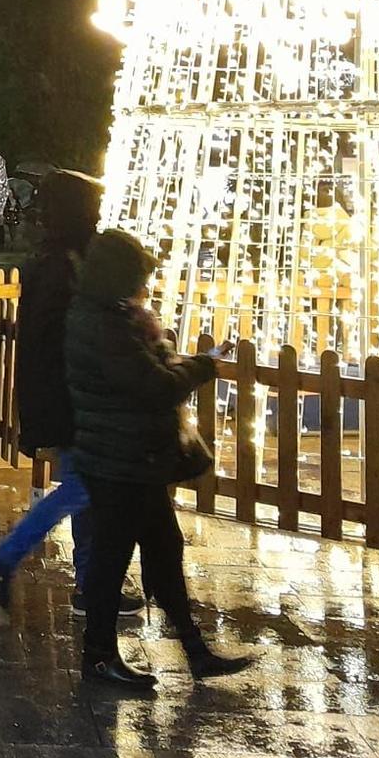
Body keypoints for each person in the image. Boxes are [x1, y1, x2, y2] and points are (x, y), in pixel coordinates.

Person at [66, 229, 248, 686]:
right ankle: (101, 655)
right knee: (113, 560)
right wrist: (204, 365)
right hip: (119, 461)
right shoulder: (102, 324)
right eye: (138, 277)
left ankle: (193, 650)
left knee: (163, 551)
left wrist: (168, 346)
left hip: (133, 459)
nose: (144, 286)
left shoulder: (115, 315)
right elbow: (152, 385)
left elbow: (153, 371)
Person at [0, 171, 141, 624]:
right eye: (92, 204)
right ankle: (2, 562)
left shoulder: (70, 257)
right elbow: (56, 339)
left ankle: (92, 584)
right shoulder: (60, 266)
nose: (99, 213)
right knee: (84, 489)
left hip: (77, 396)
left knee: (87, 493)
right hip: (73, 398)